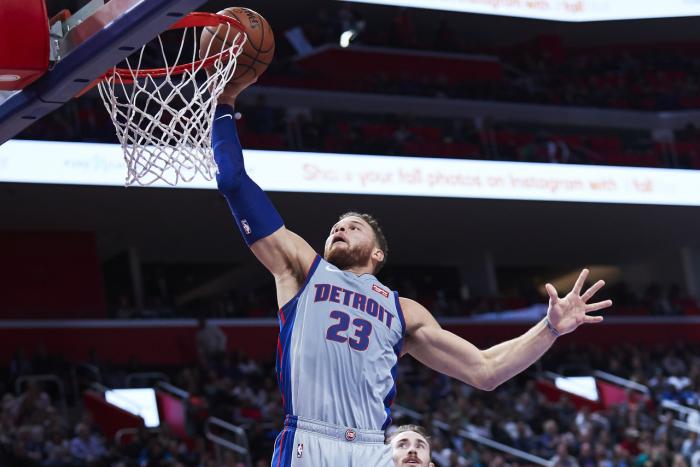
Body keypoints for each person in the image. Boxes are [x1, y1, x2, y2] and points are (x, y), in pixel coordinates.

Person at [211, 77, 612, 466]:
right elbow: (233, 182)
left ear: (378, 254)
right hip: (309, 440)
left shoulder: (403, 311)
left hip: (372, 450)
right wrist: (224, 105)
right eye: (335, 227)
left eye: (353, 226)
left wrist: (550, 328)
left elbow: (485, 370)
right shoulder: (304, 271)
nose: (339, 229)